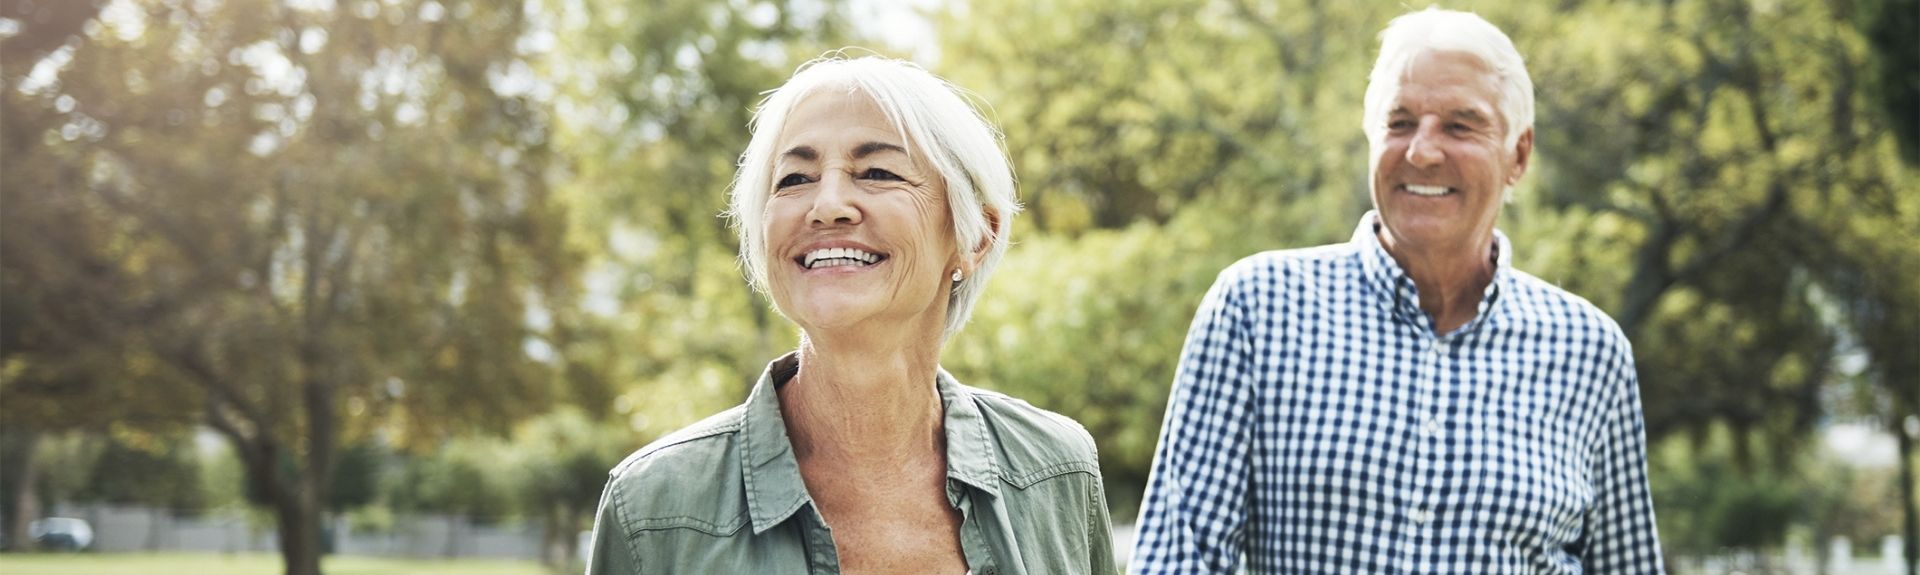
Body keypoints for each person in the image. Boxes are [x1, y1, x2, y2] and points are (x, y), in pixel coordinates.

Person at [1128, 8, 1664, 574]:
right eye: (1400, 122)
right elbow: (1175, 558)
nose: (1423, 152)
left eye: (1460, 125)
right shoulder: (1257, 308)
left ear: (1519, 155)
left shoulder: (1591, 352)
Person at [584, 54, 1116, 575]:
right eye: (794, 179)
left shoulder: (1057, 469)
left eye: (877, 171)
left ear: (975, 235)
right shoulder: (653, 511)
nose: (828, 204)